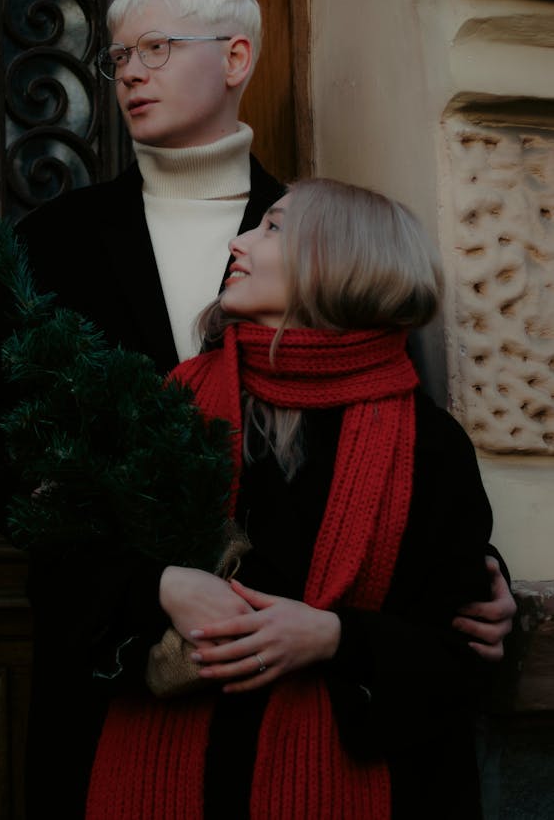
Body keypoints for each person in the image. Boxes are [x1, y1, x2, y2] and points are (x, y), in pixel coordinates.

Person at [0, 0, 514, 816]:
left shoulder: (324, 235)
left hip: (322, 736)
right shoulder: (56, 241)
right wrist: (147, 585)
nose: (130, 71)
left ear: (237, 57)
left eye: (156, 46)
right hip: (122, 681)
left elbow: (396, 444)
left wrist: (476, 583)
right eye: (118, 57)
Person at [84, 178, 496, 818]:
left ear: (339, 259)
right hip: (181, 772)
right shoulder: (170, 406)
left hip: (358, 778)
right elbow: (72, 565)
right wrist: (161, 586)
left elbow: (458, 655)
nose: (239, 242)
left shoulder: (428, 444)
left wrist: (334, 637)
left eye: (272, 227)